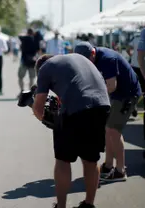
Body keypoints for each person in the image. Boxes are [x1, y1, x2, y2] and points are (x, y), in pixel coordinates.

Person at [33, 54, 110, 208]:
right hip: (102, 106)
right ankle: (89, 203)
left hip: (76, 109)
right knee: (90, 158)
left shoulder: (45, 69)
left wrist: (45, 119)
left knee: (63, 160)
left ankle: (61, 205)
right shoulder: (77, 58)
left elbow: (38, 106)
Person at [74, 42, 142, 182]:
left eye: (87, 60)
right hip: (116, 95)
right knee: (108, 130)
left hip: (126, 95)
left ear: (93, 53)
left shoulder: (107, 59)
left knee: (113, 130)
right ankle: (109, 165)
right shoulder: (92, 58)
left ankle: (120, 171)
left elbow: (111, 86)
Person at [18, 28, 39, 93]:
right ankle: (30, 92)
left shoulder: (24, 38)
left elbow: (19, 35)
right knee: (32, 78)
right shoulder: (35, 40)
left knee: (20, 77)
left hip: (24, 61)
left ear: (27, 32)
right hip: (33, 61)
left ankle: (22, 90)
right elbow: (38, 50)